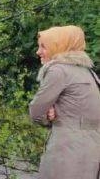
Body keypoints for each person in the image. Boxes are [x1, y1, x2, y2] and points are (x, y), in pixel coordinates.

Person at [29, 25, 100, 178]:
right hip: (92, 150)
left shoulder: (59, 70)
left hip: (66, 150)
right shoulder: (89, 73)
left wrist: (49, 115)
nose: (38, 52)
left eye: (43, 46)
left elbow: (35, 111)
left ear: (58, 46)